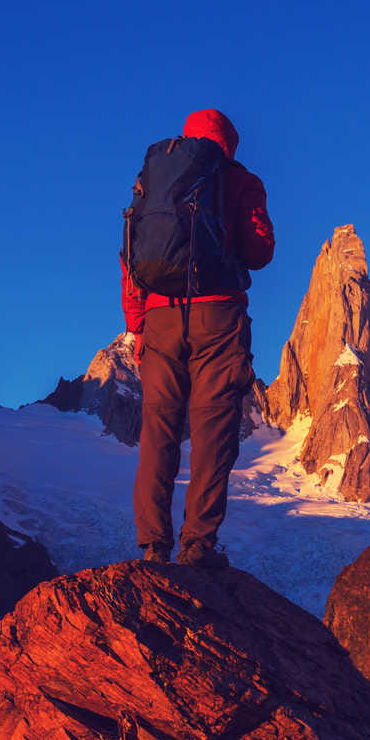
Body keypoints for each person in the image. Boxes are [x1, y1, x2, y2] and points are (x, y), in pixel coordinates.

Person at [120, 109, 275, 568]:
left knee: (158, 434)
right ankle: (198, 546)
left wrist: (136, 325)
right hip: (219, 319)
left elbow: (130, 255)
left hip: (161, 318)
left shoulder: (152, 177)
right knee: (212, 431)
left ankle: (153, 545)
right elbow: (259, 251)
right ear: (229, 142)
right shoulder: (241, 180)